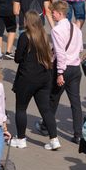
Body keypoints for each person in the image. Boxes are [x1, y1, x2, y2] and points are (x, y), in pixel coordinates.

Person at [11, 11, 61, 150]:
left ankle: (21, 139)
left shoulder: (24, 36)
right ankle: (54, 139)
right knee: (45, 110)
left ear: (28, 22)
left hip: (27, 78)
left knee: (21, 108)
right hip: (44, 78)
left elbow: (18, 58)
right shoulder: (44, 36)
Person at [36, 0, 83, 144]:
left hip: (64, 67)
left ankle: (46, 126)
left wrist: (60, 72)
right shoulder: (76, 27)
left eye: (53, 12)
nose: (52, 15)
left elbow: (60, 53)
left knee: (53, 97)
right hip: (76, 67)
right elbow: (80, 48)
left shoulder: (56, 30)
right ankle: (78, 134)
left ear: (60, 13)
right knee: (75, 101)